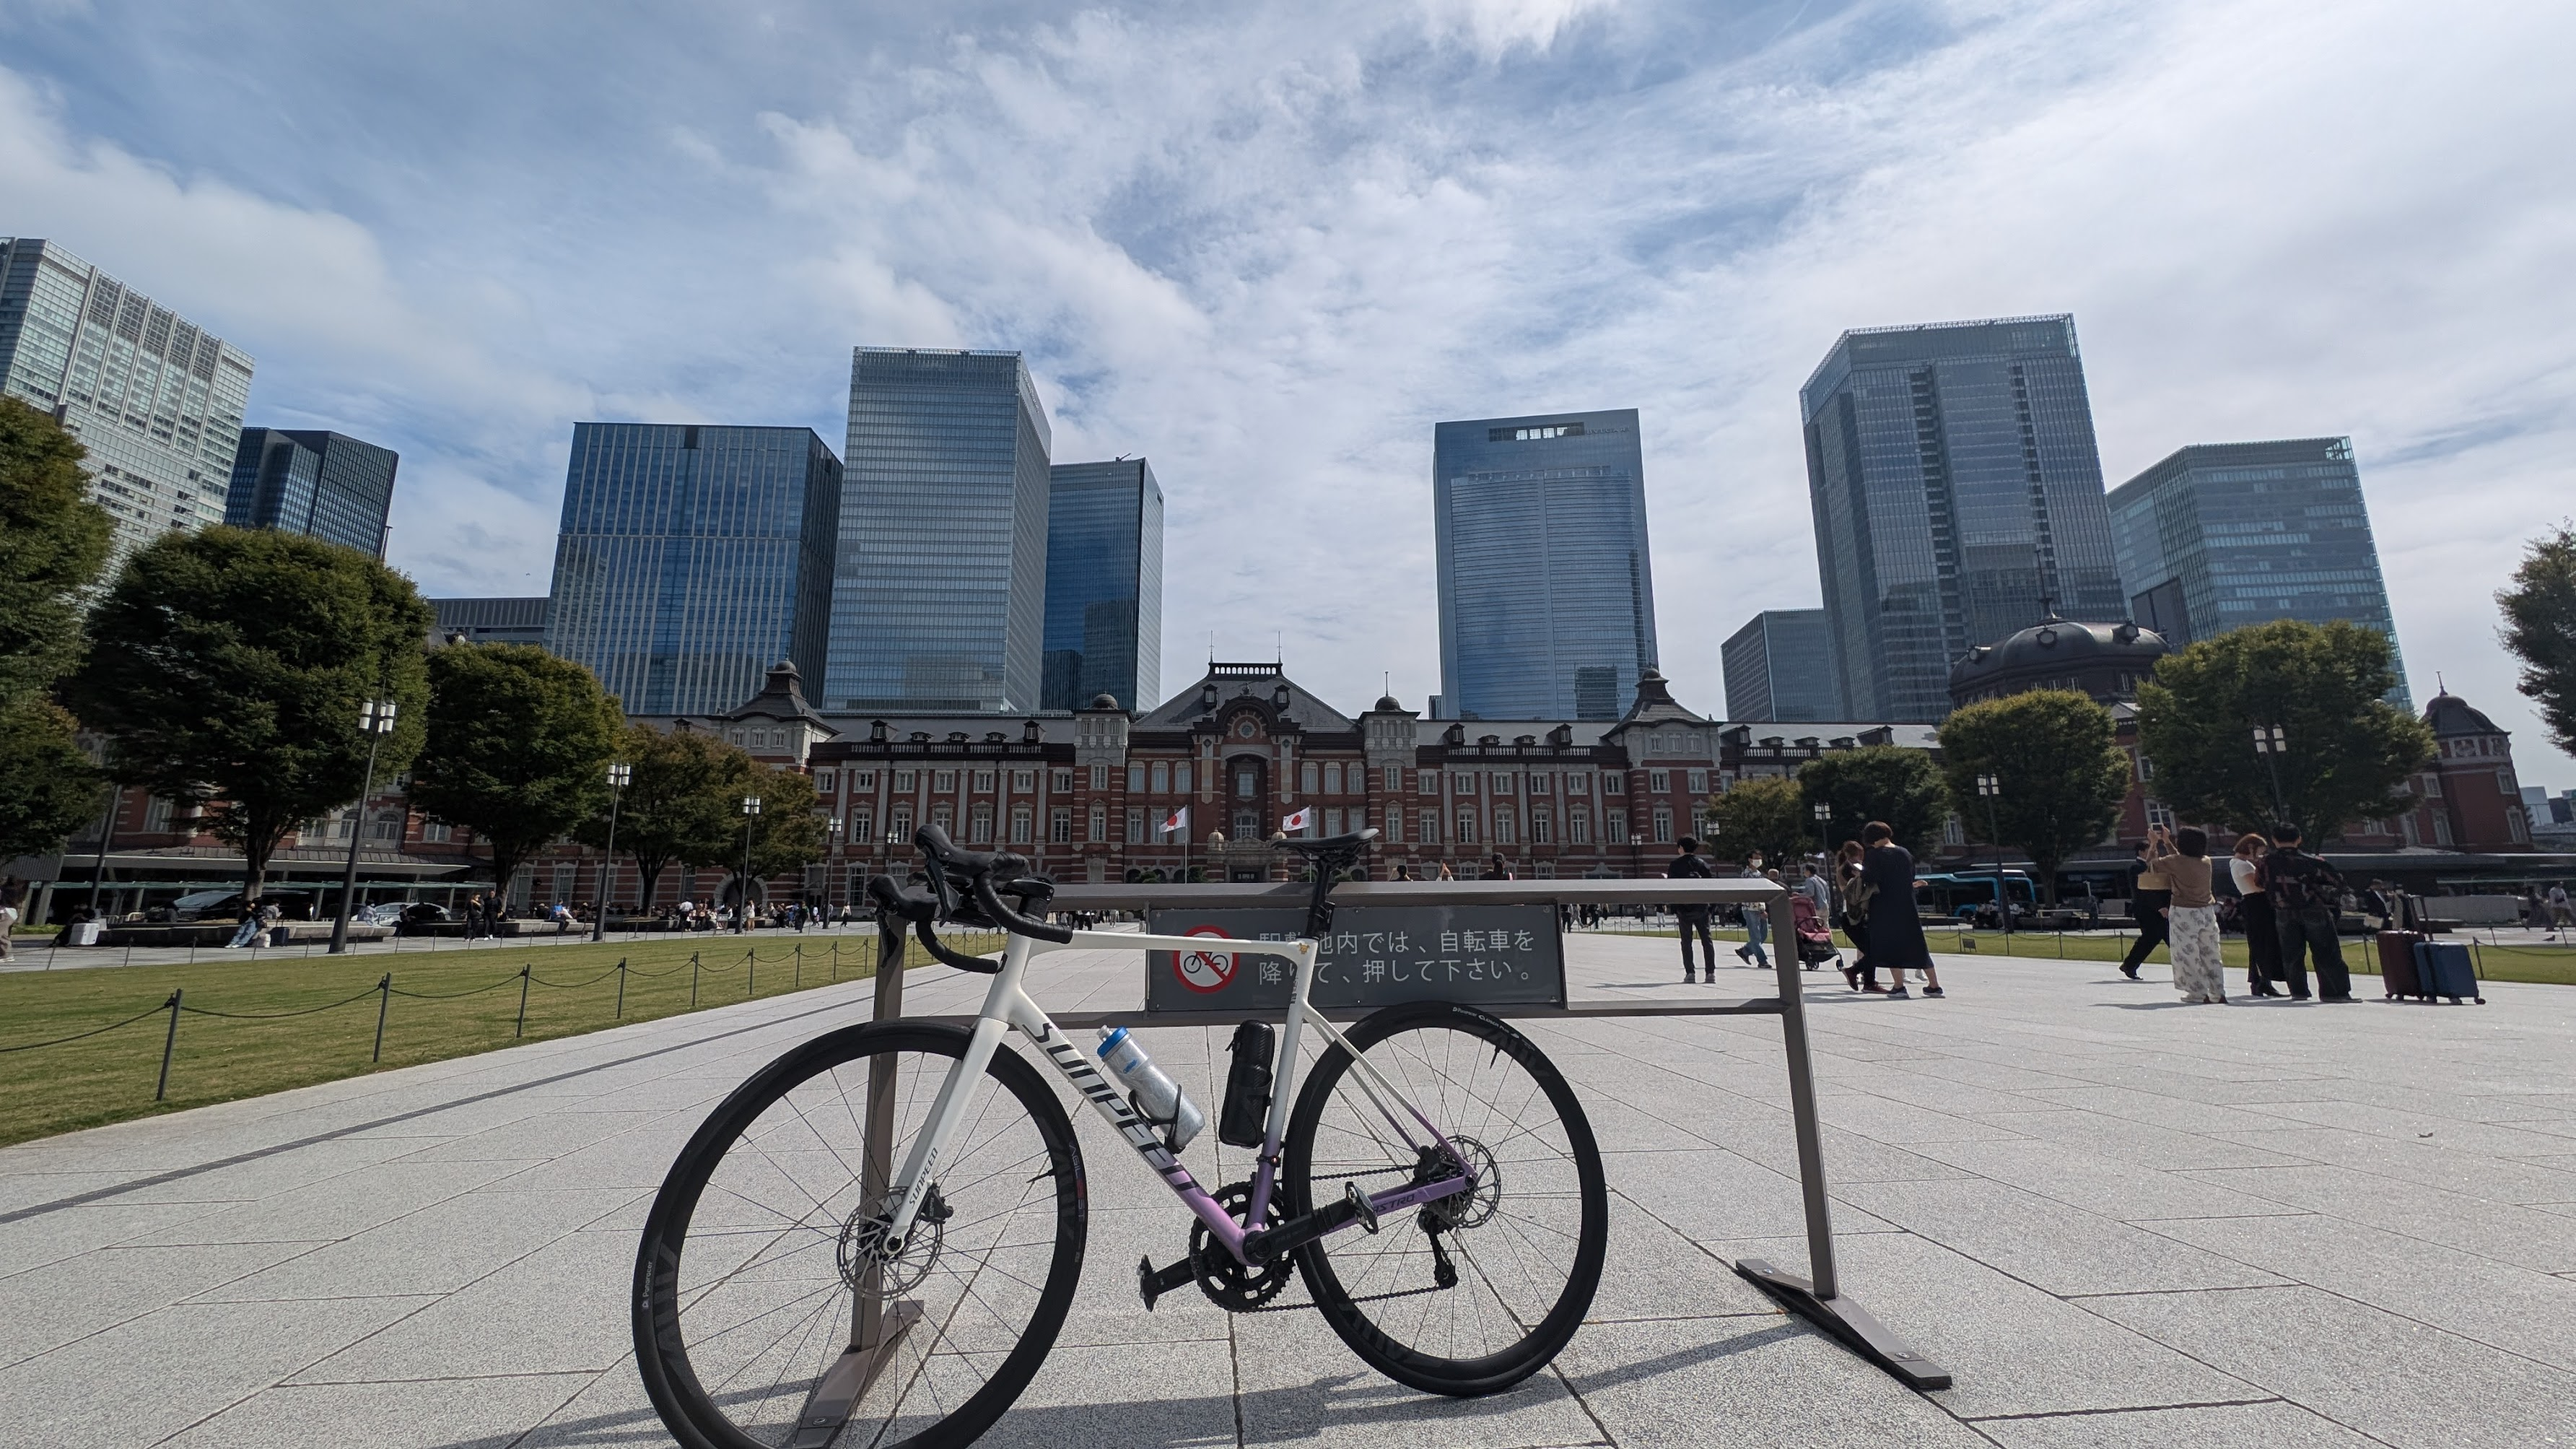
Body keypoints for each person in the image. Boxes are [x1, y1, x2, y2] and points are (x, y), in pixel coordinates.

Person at [2263, 822, 2349, 1001]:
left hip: (2283, 911)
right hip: (2314, 909)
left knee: (2291, 953)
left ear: (2274, 840)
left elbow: (2260, 882)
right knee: (2326, 951)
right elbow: (2340, 883)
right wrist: (2325, 895)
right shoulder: (2313, 861)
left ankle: (2298, 990)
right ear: (2299, 839)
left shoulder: (2266, 862)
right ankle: (2334, 992)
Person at [1857, 824, 1942, 997]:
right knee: (1917, 944)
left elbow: (1869, 878)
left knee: (1891, 945)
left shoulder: (1874, 855)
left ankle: (1899, 986)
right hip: (1907, 903)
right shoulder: (1904, 853)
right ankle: (1934, 985)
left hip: (1883, 904)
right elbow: (1911, 876)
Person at [2154, 827, 2224, 1004]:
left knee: (2187, 953)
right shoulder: (2206, 861)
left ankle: (2197, 992)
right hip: (2206, 911)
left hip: (2183, 911)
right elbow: (2180, 861)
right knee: (2211, 953)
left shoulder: (2176, 861)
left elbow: (2152, 865)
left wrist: (2154, 844)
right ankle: (2218, 991)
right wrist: (2167, 842)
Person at [2230, 835, 2282, 997]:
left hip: (2254, 903)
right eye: (2259, 851)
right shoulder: (2243, 865)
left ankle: (2262, 981)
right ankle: (2262, 981)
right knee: (2262, 942)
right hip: (2257, 903)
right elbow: (2257, 886)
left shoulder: (2237, 863)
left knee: (2260, 943)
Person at [2118, 836, 2171, 980]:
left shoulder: (2155, 867)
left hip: (2159, 910)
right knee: (2156, 937)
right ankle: (2129, 965)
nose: (2155, 853)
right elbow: (2144, 891)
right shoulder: (2137, 868)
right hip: (2147, 910)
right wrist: (2160, 907)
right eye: (2151, 850)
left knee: (2158, 938)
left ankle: (2129, 965)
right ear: (2141, 852)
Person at [1666, 837, 1716, 982]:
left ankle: (1690, 973)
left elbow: (1671, 887)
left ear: (1681, 848)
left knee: (1686, 942)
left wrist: (1674, 907)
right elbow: (1711, 886)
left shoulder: (1675, 865)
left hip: (1683, 907)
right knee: (1707, 941)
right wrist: (1711, 907)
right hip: (1701, 907)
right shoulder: (1702, 864)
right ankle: (1710, 973)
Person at [1836, 841, 1876, 989]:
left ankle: (1869, 982)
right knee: (1874, 950)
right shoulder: (1850, 868)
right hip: (1854, 916)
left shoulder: (1843, 868)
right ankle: (1854, 972)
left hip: (1851, 915)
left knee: (1870, 950)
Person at [1737, 869, 1778, 968]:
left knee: (1763, 935)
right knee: (1756, 937)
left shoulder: (1758, 874)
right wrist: (1761, 910)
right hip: (1751, 908)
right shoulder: (1748, 874)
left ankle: (1745, 951)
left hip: (1759, 907)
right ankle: (1762, 961)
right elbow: (1753, 893)